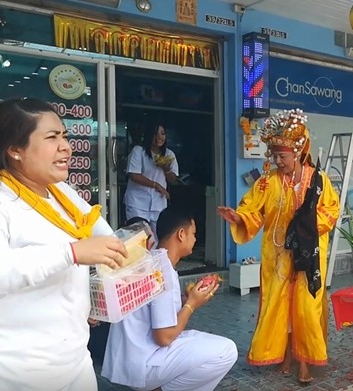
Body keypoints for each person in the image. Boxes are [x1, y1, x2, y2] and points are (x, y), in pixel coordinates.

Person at [0, 98, 127, 389]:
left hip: (75, 360)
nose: (66, 147)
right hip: (21, 373)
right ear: (15, 150)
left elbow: (105, 241)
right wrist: (71, 252)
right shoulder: (4, 200)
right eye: (51, 137)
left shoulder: (62, 192)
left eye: (65, 136)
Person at [217, 109, 340, 385]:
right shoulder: (268, 181)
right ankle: (286, 354)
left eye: (282, 156)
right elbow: (253, 210)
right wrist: (238, 217)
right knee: (281, 306)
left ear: (297, 152)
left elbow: (332, 210)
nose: (277, 161)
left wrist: (306, 227)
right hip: (278, 256)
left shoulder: (317, 181)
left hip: (309, 255)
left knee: (306, 308)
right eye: (274, 156)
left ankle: (305, 362)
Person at [102, 207, 238, 390]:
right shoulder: (161, 270)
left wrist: (185, 300)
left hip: (129, 359)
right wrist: (191, 304)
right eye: (193, 233)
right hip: (144, 364)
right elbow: (164, 337)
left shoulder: (153, 261)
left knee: (198, 338)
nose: (195, 239)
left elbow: (154, 309)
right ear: (181, 234)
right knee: (227, 351)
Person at [123, 121, 178, 234]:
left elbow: (173, 180)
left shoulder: (169, 154)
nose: (159, 137)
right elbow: (134, 175)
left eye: (162, 133)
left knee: (158, 238)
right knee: (139, 238)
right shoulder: (138, 151)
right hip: (138, 203)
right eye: (155, 134)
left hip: (158, 204)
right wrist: (156, 185)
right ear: (148, 135)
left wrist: (166, 169)